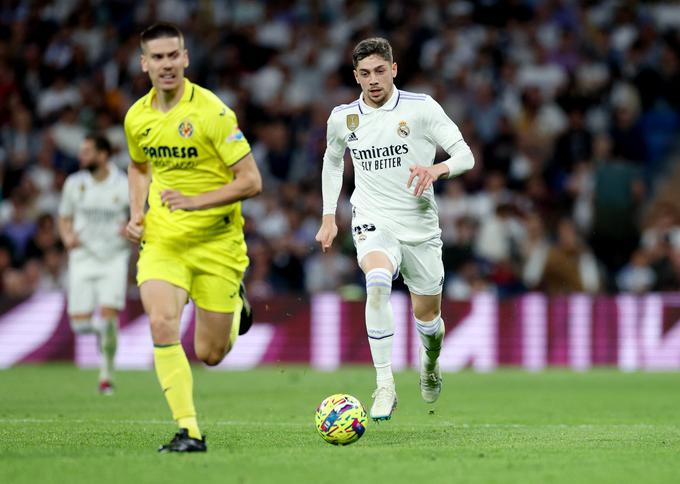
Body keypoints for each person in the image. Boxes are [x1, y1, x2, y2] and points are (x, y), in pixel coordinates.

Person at [315, 38, 475, 420]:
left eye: (380, 71)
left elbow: (466, 154)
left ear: (394, 69)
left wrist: (437, 169)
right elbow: (332, 162)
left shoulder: (421, 108)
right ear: (355, 76)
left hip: (419, 225)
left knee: (429, 323)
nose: (373, 80)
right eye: (365, 73)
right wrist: (326, 216)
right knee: (377, 283)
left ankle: (430, 363)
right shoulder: (342, 117)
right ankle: (384, 384)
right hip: (372, 218)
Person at [123, 23, 262, 453]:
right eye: (157, 58)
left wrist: (195, 202)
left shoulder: (213, 113)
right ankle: (189, 430)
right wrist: (135, 214)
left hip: (217, 243)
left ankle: (236, 305)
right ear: (145, 64)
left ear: (185, 58)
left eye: (173, 56)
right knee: (162, 322)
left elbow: (251, 181)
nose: (166, 65)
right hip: (163, 240)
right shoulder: (137, 117)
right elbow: (138, 166)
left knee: (211, 353)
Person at [58, 134, 129, 395]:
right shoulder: (74, 184)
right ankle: (103, 331)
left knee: (110, 313)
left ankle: (106, 376)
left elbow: (141, 218)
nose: (82, 156)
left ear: (103, 155)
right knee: (79, 324)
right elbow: (64, 217)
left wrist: (133, 229)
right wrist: (67, 236)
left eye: (87, 151)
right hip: (83, 258)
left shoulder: (123, 184)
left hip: (113, 258)